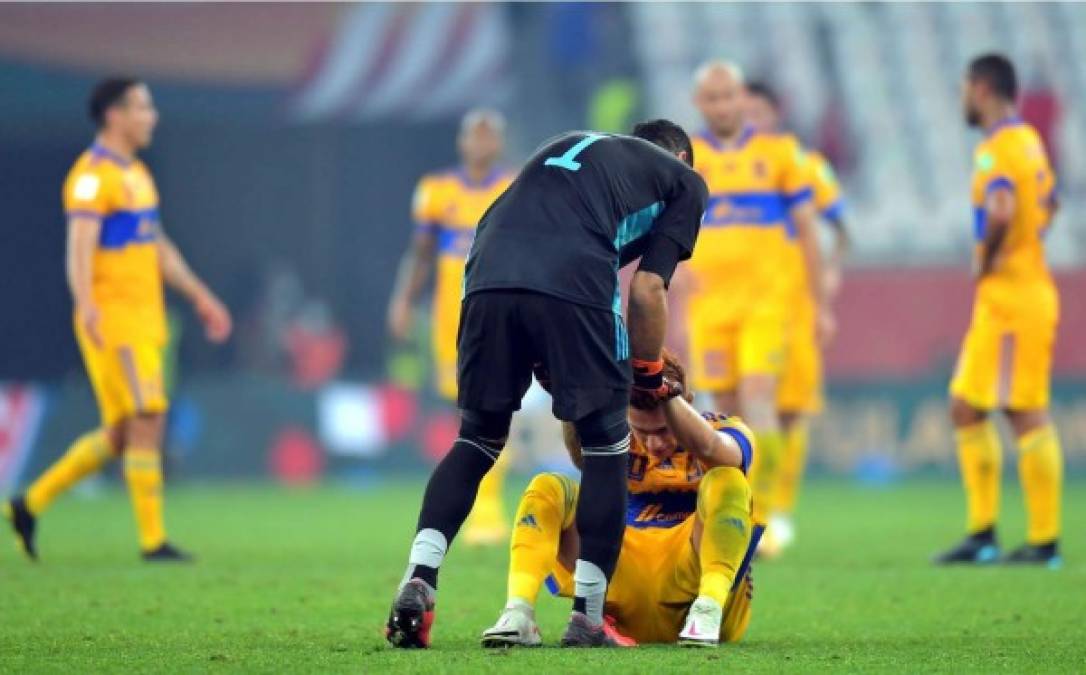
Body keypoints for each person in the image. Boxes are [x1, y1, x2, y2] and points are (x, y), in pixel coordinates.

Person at [385, 121, 708, 648]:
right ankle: (587, 618)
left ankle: (419, 576)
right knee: (607, 444)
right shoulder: (685, 181)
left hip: (485, 272)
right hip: (571, 278)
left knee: (477, 438)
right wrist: (646, 373)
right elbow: (647, 289)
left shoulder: (569, 147)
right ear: (682, 159)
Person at [3, 77, 232, 561]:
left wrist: (200, 295)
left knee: (122, 434)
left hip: (147, 317)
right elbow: (78, 248)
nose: (152, 117)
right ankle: (153, 542)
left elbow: (159, 247)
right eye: (143, 108)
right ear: (114, 114)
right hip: (115, 319)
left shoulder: (139, 176)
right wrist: (87, 304)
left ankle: (28, 504)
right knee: (149, 415)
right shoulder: (91, 176)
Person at [481, 350, 760, 648]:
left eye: (664, 430)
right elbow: (579, 459)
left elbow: (715, 448)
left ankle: (709, 608)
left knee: (728, 478)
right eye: (643, 431)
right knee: (548, 486)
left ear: (687, 403)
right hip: (621, 594)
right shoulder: (616, 438)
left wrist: (666, 394)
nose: (655, 444)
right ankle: (519, 612)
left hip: (695, 587)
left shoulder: (727, 429)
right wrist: (570, 390)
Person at [684, 61, 829, 530]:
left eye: (730, 95)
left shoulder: (780, 153)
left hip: (767, 302)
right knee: (724, 411)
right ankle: (736, 508)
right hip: (710, 306)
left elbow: (808, 231)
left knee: (760, 395)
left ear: (742, 98)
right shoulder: (686, 159)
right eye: (713, 97)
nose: (724, 105)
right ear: (699, 103)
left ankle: (768, 511)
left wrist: (820, 303)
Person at [935, 54, 1063, 569]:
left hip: (1014, 299)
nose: (963, 96)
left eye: (966, 86)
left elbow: (1004, 211)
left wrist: (985, 256)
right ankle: (983, 533)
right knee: (965, 404)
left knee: (1022, 409)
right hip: (1012, 296)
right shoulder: (1029, 141)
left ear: (983, 89)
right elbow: (1049, 206)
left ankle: (1044, 540)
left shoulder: (996, 150)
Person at [387, 109, 515, 545]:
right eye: (474, 137)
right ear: (462, 143)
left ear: (498, 143)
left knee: (496, 406)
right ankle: (469, 503)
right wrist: (403, 301)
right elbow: (420, 253)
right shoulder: (436, 190)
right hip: (451, 320)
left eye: (489, 136)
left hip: (500, 314)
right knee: (463, 411)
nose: (481, 144)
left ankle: (489, 510)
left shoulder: (514, 187)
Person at [744, 81, 850, 556]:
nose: (752, 121)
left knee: (791, 410)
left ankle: (780, 509)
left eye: (759, 111)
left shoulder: (804, 165)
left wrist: (828, 277)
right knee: (751, 404)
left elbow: (839, 229)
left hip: (796, 305)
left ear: (775, 112)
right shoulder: (736, 170)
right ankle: (754, 506)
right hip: (751, 306)